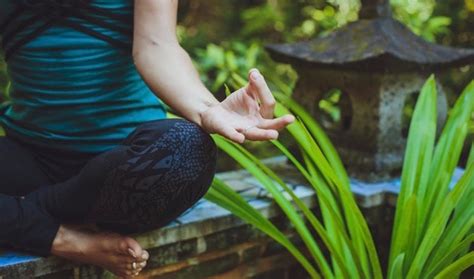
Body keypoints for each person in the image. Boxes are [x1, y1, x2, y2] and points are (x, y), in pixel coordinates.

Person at [0, 0, 295, 278]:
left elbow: (157, 44)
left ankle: (19, 215)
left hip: (131, 171)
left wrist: (209, 111)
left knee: (188, 149)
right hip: (28, 162)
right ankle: (67, 239)